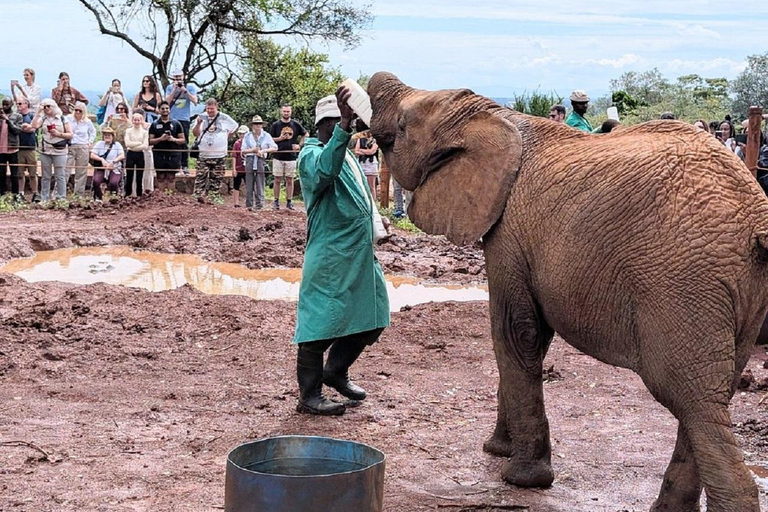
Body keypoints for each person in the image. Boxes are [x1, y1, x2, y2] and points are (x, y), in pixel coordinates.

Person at [293, 87, 390, 416]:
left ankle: (336, 371)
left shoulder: (346, 153)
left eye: (346, 122)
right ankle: (309, 395)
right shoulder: (310, 156)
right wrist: (344, 128)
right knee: (320, 325)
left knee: (374, 314)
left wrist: (376, 222)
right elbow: (324, 171)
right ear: (323, 126)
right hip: (331, 255)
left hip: (359, 252)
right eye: (336, 123)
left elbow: (362, 192)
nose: (344, 128)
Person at [191, 98, 238, 198]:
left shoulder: (224, 117)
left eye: (212, 109)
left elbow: (235, 126)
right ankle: (197, 198)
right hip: (203, 154)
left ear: (217, 107)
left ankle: (213, 199)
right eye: (208, 109)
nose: (209, 111)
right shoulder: (201, 117)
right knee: (200, 178)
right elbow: (195, 133)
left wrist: (226, 137)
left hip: (220, 155)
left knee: (216, 179)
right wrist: (199, 124)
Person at [31, 98, 73, 201]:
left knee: (60, 175)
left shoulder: (63, 119)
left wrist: (59, 134)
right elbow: (34, 126)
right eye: (44, 106)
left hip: (60, 151)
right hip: (45, 150)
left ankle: (61, 197)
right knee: (46, 175)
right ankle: (45, 198)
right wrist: (38, 112)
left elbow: (70, 134)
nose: (46, 108)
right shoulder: (44, 119)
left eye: (48, 106)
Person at [269, 104, 306, 210]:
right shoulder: (276, 125)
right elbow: (270, 138)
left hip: (291, 156)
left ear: (291, 112)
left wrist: (299, 144)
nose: (286, 113)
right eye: (284, 111)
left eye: (288, 111)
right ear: (281, 112)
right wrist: (280, 138)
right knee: (277, 179)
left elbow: (305, 134)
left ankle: (289, 201)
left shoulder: (295, 124)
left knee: (290, 180)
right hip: (278, 155)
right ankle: (276, 201)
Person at [164, 70, 198, 174]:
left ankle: (184, 165)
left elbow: (195, 101)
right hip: (172, 119)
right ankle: (173, 165)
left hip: (184, 119)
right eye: (175, 77)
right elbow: (166, 102)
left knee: (184, 142)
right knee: (170, 142)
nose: (177, 79)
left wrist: (184, 90)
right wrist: (174, 90)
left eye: (179, 77)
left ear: (183, 77)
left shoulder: (190, 87)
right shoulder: (170, 88)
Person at [241, 115, 278, 210]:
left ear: (262, 125)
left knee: (260, 182)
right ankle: (249, 204)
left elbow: (275, 147)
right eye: (256, 124)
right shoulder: (247, 136)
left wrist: (263, 151)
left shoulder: (266, 135)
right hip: (249, 160)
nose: (258, 125)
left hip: (261, 160)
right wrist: (252, 150)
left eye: (259, 124)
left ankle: (260, 204)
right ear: (252, 125)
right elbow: (243, 150)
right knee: (249, 182)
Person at [148, 101, 185, 191]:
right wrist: (160, 139)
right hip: (159, 154)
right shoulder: (154, 124)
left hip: (173, 154)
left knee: (171, 177)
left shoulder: (176, 123)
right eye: (163, 108)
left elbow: (183, 140)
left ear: (169, 110)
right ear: (159, 110)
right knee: (160, 177)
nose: (165, 110)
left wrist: (173, 139)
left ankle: (170, 197)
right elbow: (150, 141)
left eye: (167, 108)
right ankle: (161, 199)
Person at [66, 102, 96, 196]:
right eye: (76, 110)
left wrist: (89, 142)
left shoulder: (87, 121)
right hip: (70, 145)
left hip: (83, 146)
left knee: (81, 171)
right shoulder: (68, 119)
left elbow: (93, 132)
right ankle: (59, 193)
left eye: (80, 111)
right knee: (65, 170)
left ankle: (79, 194)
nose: (78, 112)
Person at [89, 127, 124, 200]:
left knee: (113, 182)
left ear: (112, 136)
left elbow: (122, 155)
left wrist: (114, 161)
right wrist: (101, 159)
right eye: (105, 135)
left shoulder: (117, 145)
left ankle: (113, 198)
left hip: (114, 168)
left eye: (109, 135)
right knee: (96, 181)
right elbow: (92, 155)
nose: (107, 136)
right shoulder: (99, 144)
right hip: (102, 168)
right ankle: (99, 197)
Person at [16, 98, 39, 202]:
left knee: (33, 173)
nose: (18, 105)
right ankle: (20, 193)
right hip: (19, 148)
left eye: (20, 103)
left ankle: (35, 193)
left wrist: (27, 127)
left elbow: (34, 128)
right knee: (20, 174)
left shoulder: (32, 115)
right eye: (17, 104)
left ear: (26, 104)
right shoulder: (16, 116)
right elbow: (15, 128)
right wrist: (25, 128)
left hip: (31, 148)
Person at [0, 98, 23, 198]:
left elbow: (17, 130)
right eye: (3, 105)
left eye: (7, 105)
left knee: (14, 174)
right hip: (1, 150)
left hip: (13, 149)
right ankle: (2, 195)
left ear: (12, 104)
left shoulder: (17, 116)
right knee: (1, 174)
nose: (5, 107)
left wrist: (7, 120)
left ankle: (15, 196)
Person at [123, 112, 149, 197]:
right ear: (132, 120)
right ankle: (127, 194)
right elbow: (127, 144)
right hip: (130, 154)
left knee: (139, 176)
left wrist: (133, 144)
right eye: (135, 120)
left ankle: (139, 194)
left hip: (140, 155)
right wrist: (139, 143)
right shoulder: (128, 131)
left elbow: (145, 146)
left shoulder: (144, 132)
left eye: (138, 120)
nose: (137, 122)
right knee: (129, 175)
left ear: (141, 121)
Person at [353, 119, 379, 203]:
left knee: (371, 186)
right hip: (362, 163)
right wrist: (366, 151)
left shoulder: (375, 139)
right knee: (362, 185)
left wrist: (362, 151)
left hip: (371, 163)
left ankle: (373, 204)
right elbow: (356, 151)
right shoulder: (360, 139)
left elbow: (372, 151)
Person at [231, 125, 248, 207]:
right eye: (240, 134)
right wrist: (234, 169)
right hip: (239, 168)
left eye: (243, 134)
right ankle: (236, 203)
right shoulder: (237, 144)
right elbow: (234, 156)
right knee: (236, 185)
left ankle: (249, 202)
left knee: (249, 185)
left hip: (247, 168)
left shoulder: (250, 143)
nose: (242, 135)